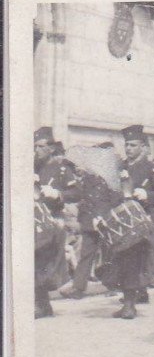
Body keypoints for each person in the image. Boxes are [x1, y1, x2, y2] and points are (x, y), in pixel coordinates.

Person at [97, 125, 154, 319]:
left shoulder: (151, 168)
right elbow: (107, 192)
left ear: (143, 146)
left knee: (132, 262)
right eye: (126, 145)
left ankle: (130, 305)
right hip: (120, 222)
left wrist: (148, 194)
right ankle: (130, 299)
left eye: (133, 145)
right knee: (120, 261)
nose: (128, 148)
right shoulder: (119, 167)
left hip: (141, 223)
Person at [34, 126, 80, 318]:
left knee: (42, 264)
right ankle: (43, 304)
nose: (36, 151)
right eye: (34, 146)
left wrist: (58, 194)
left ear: (51, 148)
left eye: (40, 146)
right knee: (35, 263)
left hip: (53, 222)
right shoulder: (32, 167)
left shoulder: (62, 169)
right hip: (35, 222)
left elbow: (77, 192)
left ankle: (42, 304)